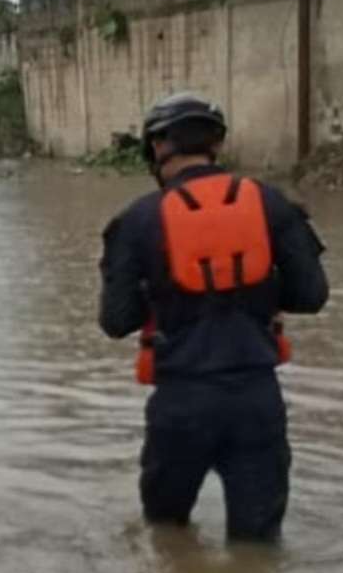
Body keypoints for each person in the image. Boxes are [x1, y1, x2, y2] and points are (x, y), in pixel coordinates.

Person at [98, 92, 328, 541]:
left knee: (166, 536)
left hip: (180, 403)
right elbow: (311, 295)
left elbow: (116, 320)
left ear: (158, 147)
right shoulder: (271, 203)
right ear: (216, 144)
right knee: (258, 546)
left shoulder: (136, 220)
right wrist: (254, 289)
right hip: (256, 400)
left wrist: (163, 290)